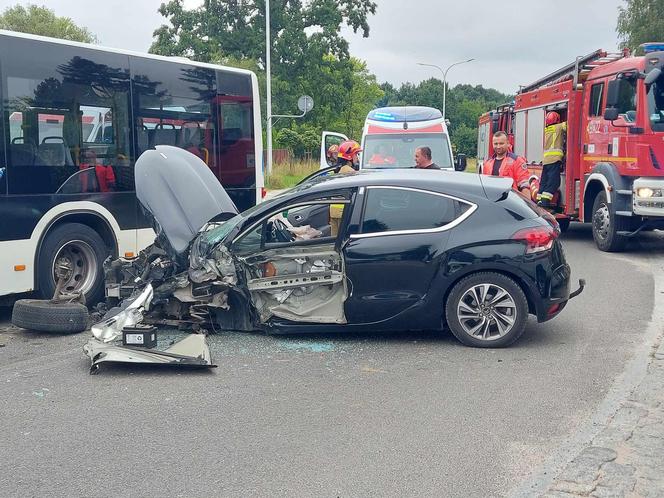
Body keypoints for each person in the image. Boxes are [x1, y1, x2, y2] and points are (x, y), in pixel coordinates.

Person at [482, 131, 530, 195]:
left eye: (501, 143)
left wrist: (526, 204)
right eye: (496, 144)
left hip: (511, 201)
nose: (498, 146)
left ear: (507, 143)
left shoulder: (517, 161)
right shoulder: (487, 163)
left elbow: (524, 186)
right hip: (492, 200)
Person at [329, 140, 361, 235]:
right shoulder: (351, 172)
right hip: (343, 210)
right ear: (349, 157)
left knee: (334, 240)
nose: (357, 157)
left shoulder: (338, 170)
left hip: (334, 210)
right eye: (356, 154)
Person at [538, 111, 567, 207]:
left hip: (546, 160)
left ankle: (539, 200)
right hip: (554, 159)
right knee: (553, 182)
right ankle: (545, 202)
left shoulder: (546, 129)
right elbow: (568, 125)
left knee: (544, 181)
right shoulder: (559, 127)